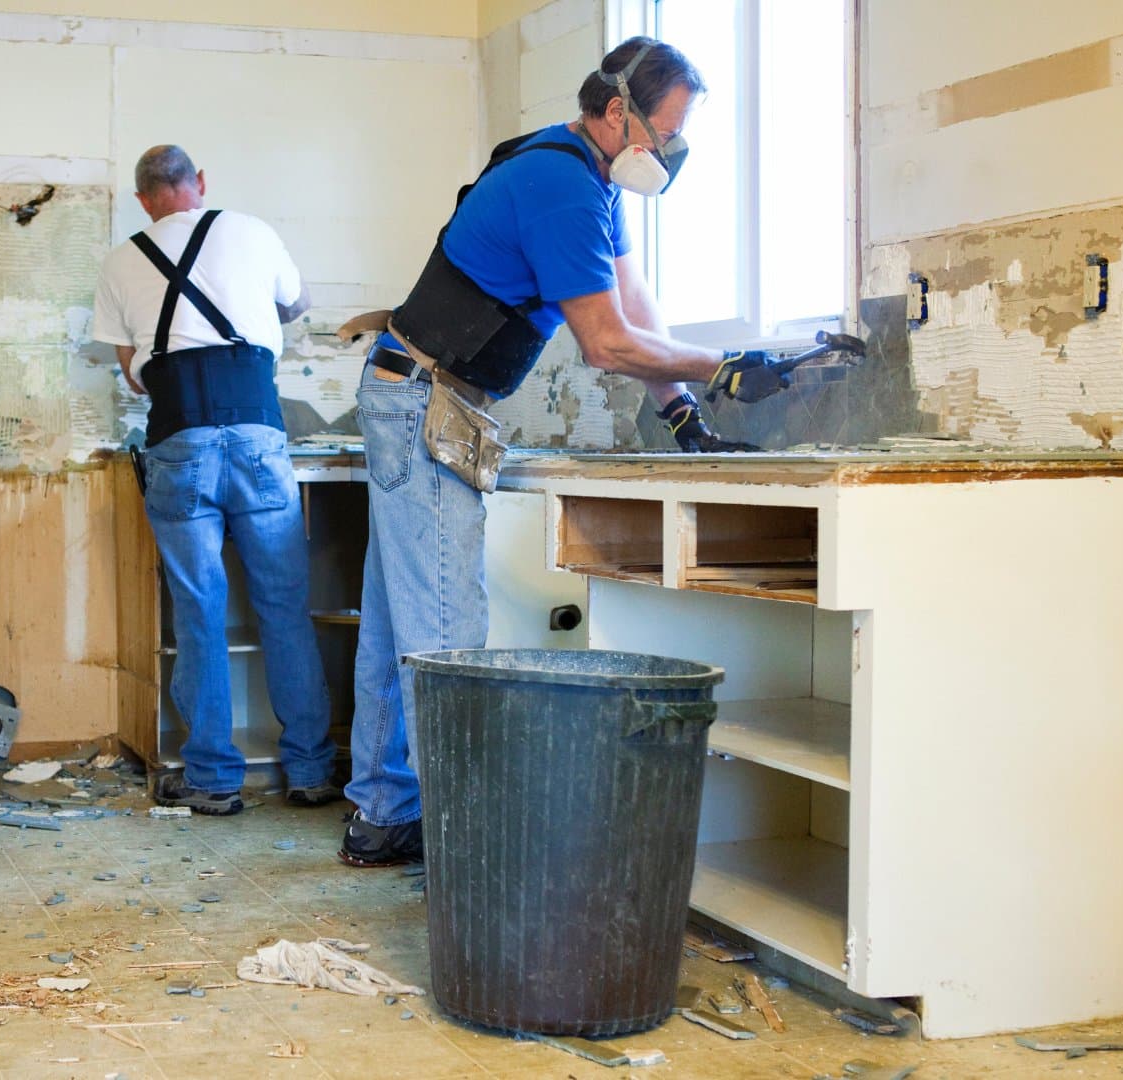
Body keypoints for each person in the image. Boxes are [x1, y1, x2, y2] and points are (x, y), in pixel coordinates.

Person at [337, 37, 798, 865]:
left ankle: (384, 814)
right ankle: (466, 848)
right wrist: (725, 364)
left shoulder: (590, 179)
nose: (673, 151)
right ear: (618, 112)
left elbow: (636, 310)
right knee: (445, 633)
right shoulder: (561, 186)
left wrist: (684, 413)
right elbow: (606, 343)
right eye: (668, 132)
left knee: (398, 623)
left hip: (415, 393)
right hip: (424, 401)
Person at [92, 145, 342, 816]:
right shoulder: (251, 230)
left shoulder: (119, 262)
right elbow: (298, 304)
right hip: (258, 432)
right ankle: (311, 771)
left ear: (143, 200)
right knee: (284, 608)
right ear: (199, 182)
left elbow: (133, 375)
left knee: (199, 611)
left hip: (179, 439)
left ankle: (211, 780)